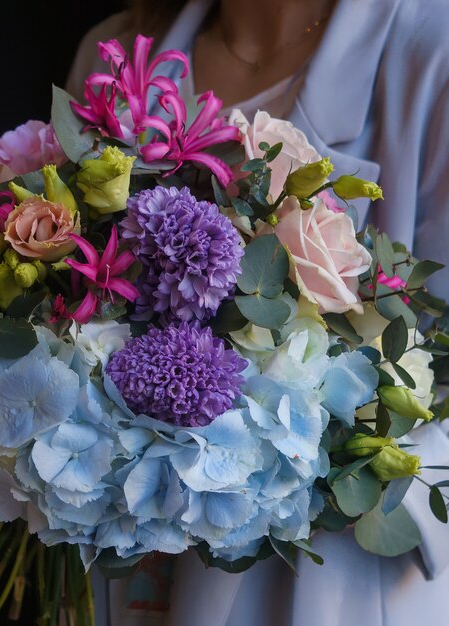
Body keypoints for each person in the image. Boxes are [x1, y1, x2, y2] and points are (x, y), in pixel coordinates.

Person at [64, 1, 449, 625]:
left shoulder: (432, 53)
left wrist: (362, 477)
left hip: (330, 584)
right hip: (119, 569)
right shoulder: (112, 52)